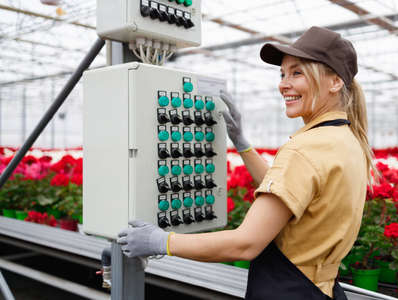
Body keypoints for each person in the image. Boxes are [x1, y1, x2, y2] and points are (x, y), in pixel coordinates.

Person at [118, 26, 376, 300]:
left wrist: (162, 241)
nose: (283, 84)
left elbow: (245, 244)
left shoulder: (304, 148)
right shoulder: (347, 140)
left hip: (287, 290)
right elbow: (292, 195)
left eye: (297, 73)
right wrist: (243, 145)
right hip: (321, 289)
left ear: (335, 82)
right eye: (283, 74)